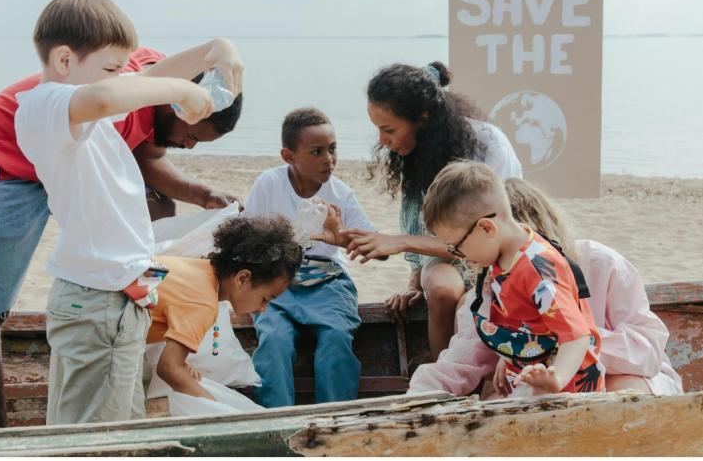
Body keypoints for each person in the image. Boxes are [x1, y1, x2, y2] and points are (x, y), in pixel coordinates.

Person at [0, 39, 243, 428]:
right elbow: (109, 99)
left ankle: (130, 310)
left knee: (157, 207)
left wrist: (201, 194)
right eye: (193, 135)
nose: (188, 146)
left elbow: (149, 157)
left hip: (58, 178)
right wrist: (187, 85)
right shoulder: (113, 98)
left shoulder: (154, 82)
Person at [14, 0, 239, 425]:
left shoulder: (83, 115)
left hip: (118, 297)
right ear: (64, 61)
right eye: (112, 69)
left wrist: (217, 51)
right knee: (96, 437)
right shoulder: (47, 108)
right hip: (98, 301)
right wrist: (181, 93)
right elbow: (104, 96)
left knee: (116, 425)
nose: (123, 79)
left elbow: (138, 80)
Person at [408, 178, 682, 397]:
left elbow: (648, 351)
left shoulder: (600, 264)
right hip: (541, 392)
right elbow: (458, 364)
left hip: (624, 380)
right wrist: (414, 397)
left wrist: (548, 346)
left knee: (623, 394)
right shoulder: (487, 290)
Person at [343, 61, 522, 358]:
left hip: (501, 256)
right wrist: (414, 282)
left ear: (423, 119)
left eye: (388, 130)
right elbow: (418, 224)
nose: (382, 141)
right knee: (441, 289)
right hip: (447, 257)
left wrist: (400, 242)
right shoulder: (416, 152)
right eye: (378, 130)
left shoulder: (489, 147)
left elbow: (489, 241)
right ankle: (444, 377)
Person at [419, 161, 605, 396]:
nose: (460, 256)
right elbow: (525, 319)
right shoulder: (503, 257)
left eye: (457, 247)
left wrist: (556, 379)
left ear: (486, 228)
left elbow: (577, 336)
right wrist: (508, 358)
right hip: (531, 376)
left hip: (568, 389)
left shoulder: (538, 269)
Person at [242, 107, 379, 407]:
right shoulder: (269, 184)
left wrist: (341, 235)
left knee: (336, 339)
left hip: (328, 282)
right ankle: (276, 421)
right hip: (277, 283)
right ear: (289, 156)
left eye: (332, 149)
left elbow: (375, 247)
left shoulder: (340, 193)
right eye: (317, 152)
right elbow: (247, 237)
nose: (328, 159)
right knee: (274, 339)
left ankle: (335, 417)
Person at [148, 216, 302, 403]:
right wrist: (215, 409)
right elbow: (168, 368)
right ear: (243, 279)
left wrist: (181, 362)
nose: (263, 309)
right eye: (265, 299)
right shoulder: (203, 303)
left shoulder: (197, 268)